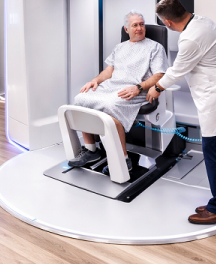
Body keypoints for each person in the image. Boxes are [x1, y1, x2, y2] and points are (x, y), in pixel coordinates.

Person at [147, 0, 216, 225]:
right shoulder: (202, 22)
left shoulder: (190, 39)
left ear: (167, 22)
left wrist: (156, 88)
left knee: (214, 150)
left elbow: (177, 71)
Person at [69, 11, 167, 175]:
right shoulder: (119, 47)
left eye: (141, 24)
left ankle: (123, 160)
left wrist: (138, 87)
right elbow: (109, 71)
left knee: (111, 105)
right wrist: (95, 80)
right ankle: (91, 150)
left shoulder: (155, 47)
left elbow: (160, 75)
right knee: (81, 99)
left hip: (136, 90)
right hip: (112, 86)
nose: (139, 28)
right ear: (126, 29)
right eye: (135, 25)